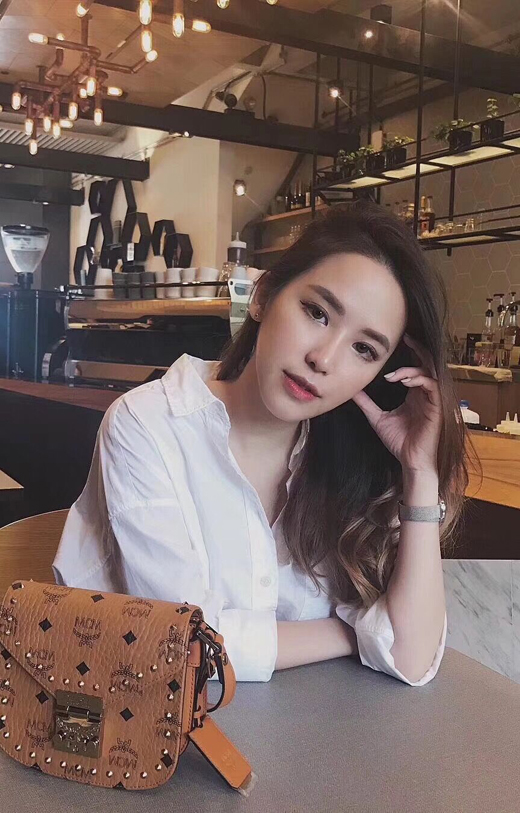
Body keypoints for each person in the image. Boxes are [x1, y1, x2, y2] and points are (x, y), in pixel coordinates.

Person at [54, 201, 468, 686]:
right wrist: (355, 631)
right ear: (263, 296)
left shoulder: (350, 462)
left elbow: (411, 657)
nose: (324, 359)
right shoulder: (148, 426)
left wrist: (420, 472)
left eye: (364, 349)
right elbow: (186, 647)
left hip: (310, 727)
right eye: (317, 313)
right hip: (141, 723)